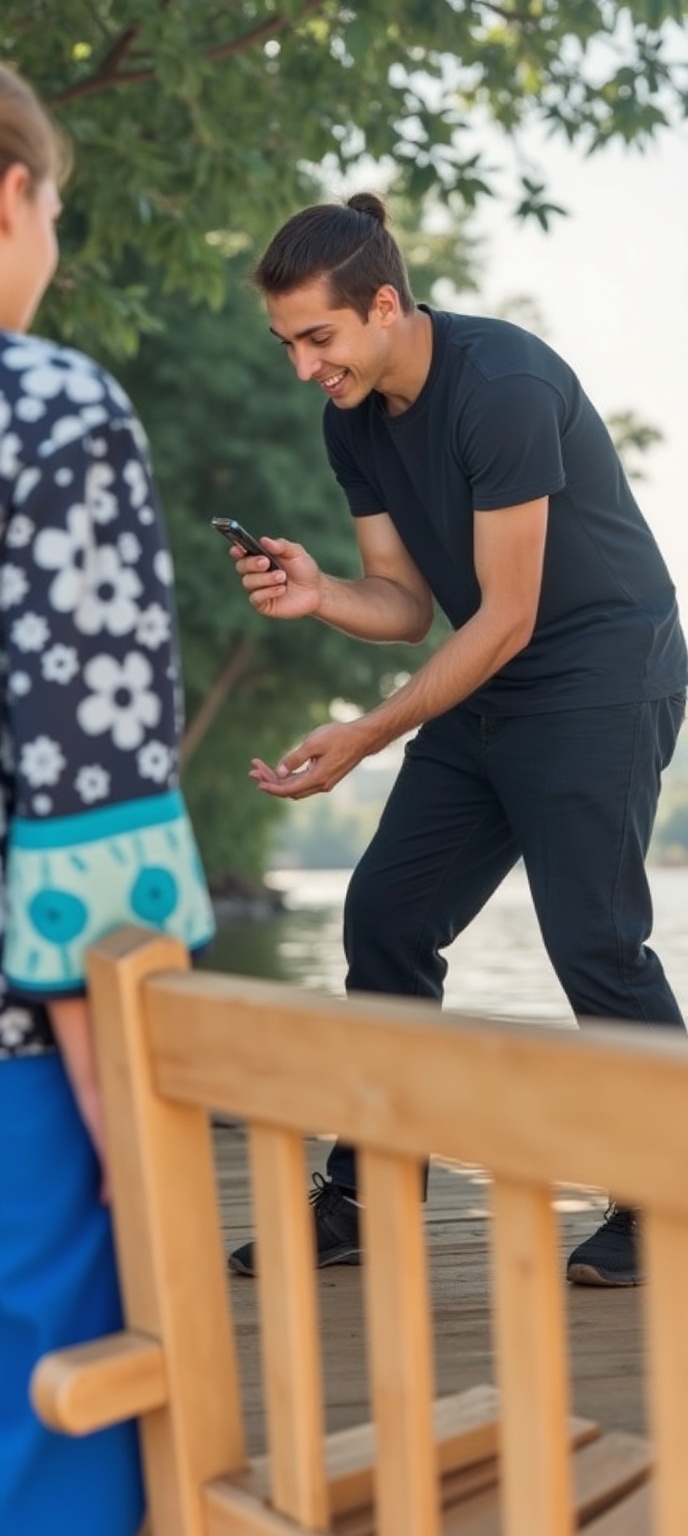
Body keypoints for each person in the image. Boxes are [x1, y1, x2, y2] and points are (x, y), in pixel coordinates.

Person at [226, 190, 688, 1291]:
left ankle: (665, 1187)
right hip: (490, 675)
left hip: (598, 674)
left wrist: (365, 734)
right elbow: (405, 603)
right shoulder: (351, 419)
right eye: (288, 344)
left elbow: (510, 614)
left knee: (593, 938)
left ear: (385, 304)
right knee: (386, 916)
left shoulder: (503, 387)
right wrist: (321, 593)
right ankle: (370, 1197)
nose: (304, 367)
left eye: (319, 338)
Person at [0, 64, 215, 1536]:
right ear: (11, 195)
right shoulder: (52, 412)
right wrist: (122, 1090)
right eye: (58, 211)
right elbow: (85, 782)